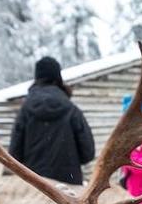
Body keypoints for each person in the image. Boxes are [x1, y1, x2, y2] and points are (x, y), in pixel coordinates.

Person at [8, 57, 95, 185]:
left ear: (37, 78)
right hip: (69, 189)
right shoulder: (72, 111)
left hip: (35, 187)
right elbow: (88, 153)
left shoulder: (25, 111)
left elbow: (14, 154)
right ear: (58, 78)